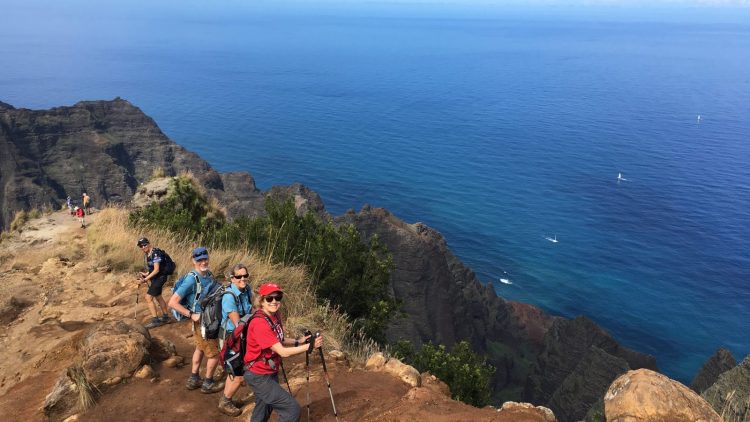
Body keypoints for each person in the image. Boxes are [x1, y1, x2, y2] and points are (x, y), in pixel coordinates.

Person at [244, 283, 323, 422]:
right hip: (258, 374)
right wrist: (310, 346)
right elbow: (282, 352)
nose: (274, 301)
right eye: (269, 298)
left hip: (268, 371)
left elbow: (279, 339)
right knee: (291, 410)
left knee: (263, 408)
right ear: (261, 301)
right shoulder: (259, 323)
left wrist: (299, 341)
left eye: (278, 297)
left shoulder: (274, 315)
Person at [167, 246, 224, 394]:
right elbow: (172, 302)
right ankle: (208, 383)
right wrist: (191, 314)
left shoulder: (208, 274)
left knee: (199, 348)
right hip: (203, 323)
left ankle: (194, 378)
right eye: (200, 260)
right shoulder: (191, 280)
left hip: (206, 320)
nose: (203, 262)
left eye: (205, 259)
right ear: (193, 261)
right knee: (214, 354)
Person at [217, 264, 253, 417]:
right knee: (237, 374)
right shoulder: (229, 297)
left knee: (237, 371)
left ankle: (228, 397)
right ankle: (225, 401)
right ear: (232, 278)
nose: (243, 279)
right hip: (231, 338)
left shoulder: (247, 290)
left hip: (241, 337)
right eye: (239, 276)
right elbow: (238, 325)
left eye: (245, 275)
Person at [136, 238, 171, 328]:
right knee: (158, 296)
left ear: (149, 243)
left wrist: (145, 279)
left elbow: (156, 270)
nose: (143, 247)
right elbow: (152, 269)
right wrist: (145, 274)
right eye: (141, 246)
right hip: (156, 278)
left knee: (148, 297)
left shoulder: (156, 253)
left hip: (160, 277)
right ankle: (166, 317)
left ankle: (155, 320)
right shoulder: (148, 254)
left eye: (144, 245)